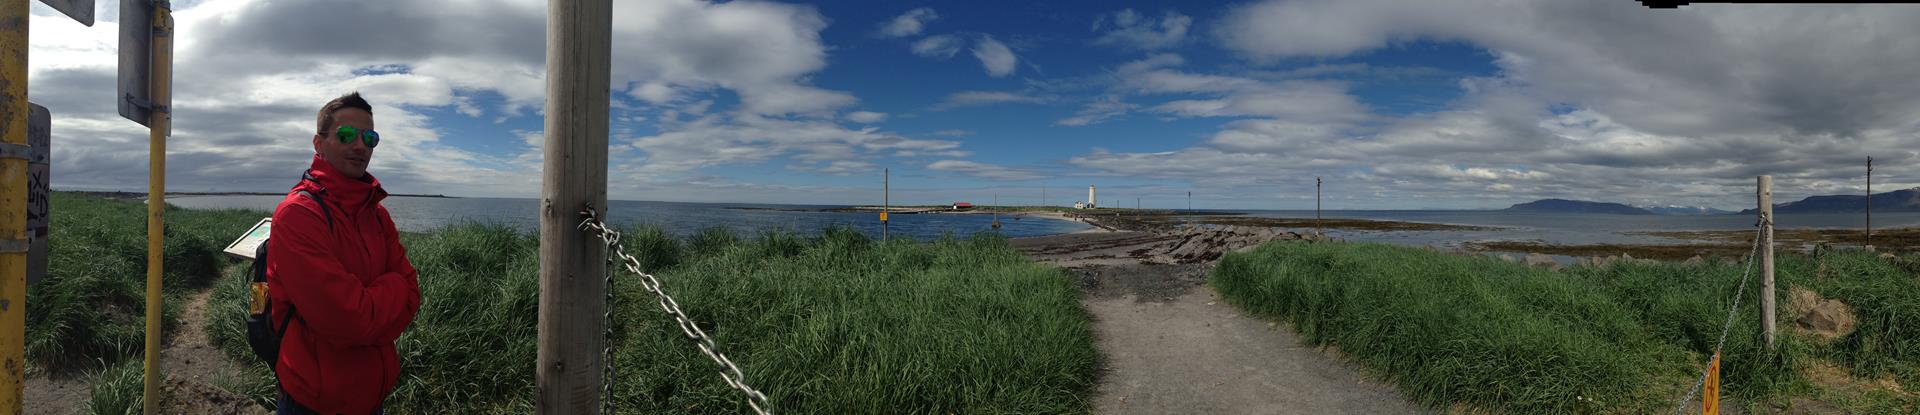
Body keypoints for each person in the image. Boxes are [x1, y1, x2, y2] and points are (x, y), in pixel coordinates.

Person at [267, 92, 421, 415]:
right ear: (318, 144)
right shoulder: (297, 215)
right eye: (346, 135)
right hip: (312, 404)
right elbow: (348, 320)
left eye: (370, 137)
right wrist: (391, 289)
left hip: (373, 399)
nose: (360, 146)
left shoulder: (378, 216)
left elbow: (412, 295)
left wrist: (371, 301)